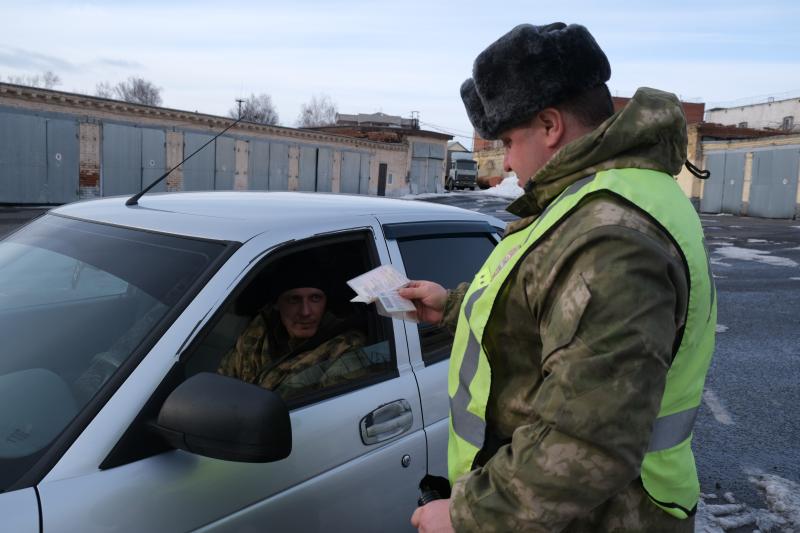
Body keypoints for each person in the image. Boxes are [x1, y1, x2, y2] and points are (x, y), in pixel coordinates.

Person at [403, 22, 716, 532]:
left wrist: (469, 515)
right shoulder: (602, 200)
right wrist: (454, 305)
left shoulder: (609, 233)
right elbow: (552, 306)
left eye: (507, 140)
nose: (504, 161)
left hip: (602, 518)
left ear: (550, 126)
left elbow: (589, 434)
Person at [218, 260, 368, 402]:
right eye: (294, 299)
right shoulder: (258, 331)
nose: (305, 312)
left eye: (315, 298)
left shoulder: (345, 348)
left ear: (325, 302)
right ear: (276, 304)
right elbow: (223, 382)